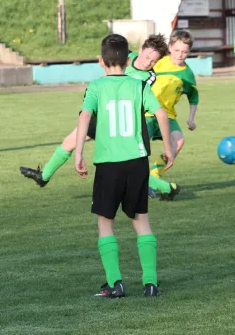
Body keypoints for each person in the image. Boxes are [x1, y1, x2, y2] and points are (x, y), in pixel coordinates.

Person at [20, 35, 179, 200]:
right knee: (69, 142)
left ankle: (166, 187)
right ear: (140, 50)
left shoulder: (147, 77)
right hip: (102, 112)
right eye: (147, 57)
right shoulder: (127, 57)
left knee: (125, 167)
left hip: (117, 120)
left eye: (153, 61)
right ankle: (43, 176)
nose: (148, 63)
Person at [75, 34, 174, 298]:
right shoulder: (138, 85)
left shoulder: (95, 86)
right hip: (137, 162)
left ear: (101, 61)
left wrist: (79, 153)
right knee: (141, 220)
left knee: (106, 223)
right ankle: (150, 283)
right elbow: (161, 113)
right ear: (128, 59)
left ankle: (115, 283)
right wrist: (168, 147)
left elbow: (85, 116)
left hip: (108, 164)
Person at [147, 30, 198, 191]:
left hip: (167, 115)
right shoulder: (158, 62)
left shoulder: (187, 74)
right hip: (147, 112)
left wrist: (191, 118)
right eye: (177, 50)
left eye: (184, 52)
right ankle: (140, 181)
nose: (180, 55)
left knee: (179, 140)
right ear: (170, 47)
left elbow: (193, 97)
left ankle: (154, 178)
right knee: (142, 149)